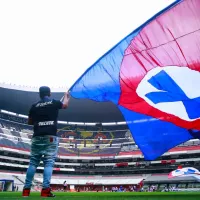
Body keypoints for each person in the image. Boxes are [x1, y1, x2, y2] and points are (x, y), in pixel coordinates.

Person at [22, 86, 70, 197]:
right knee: (48, 163)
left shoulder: (34, 106)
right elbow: (65, 105)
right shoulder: (54, 102)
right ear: (50, 93)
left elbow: (29, 122)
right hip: (50, 137)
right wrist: (67, 96)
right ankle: (45, 191)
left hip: (37, 136)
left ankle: (26, 190)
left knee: (33, 163)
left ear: (40, 94)